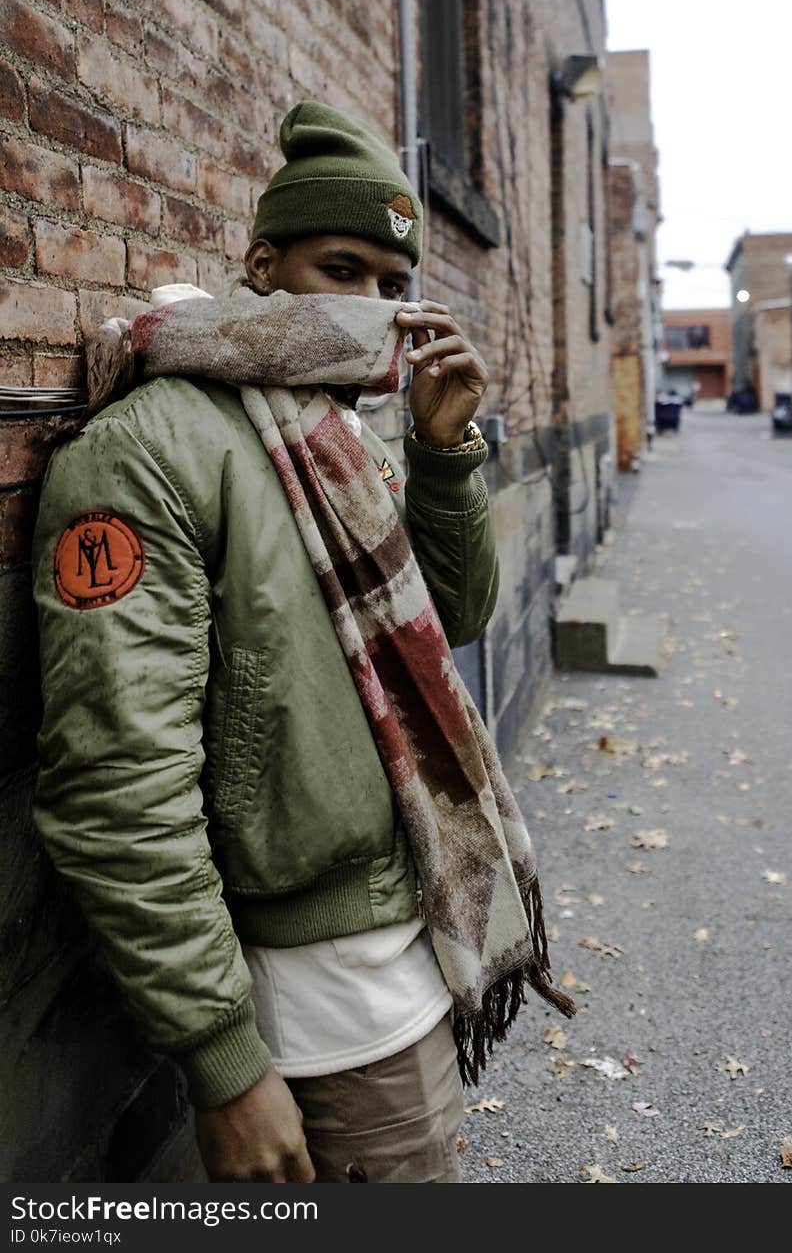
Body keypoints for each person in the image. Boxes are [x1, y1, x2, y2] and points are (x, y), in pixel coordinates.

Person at [31, 100, 572, 1184]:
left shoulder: (336, 434)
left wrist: (445, 452)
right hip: (317, 995)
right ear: (264, 267)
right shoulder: (151, 449)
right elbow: (115, 783)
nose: (374, 306)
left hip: (410, 932)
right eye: (343, 268)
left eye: (391, 281)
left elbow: (451, 621)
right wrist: (226, 1062)